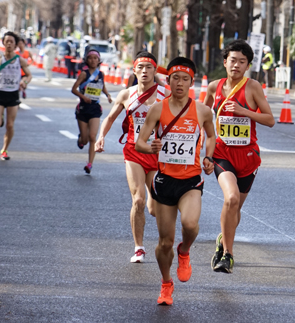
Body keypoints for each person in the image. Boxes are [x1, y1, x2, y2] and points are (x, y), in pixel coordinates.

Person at [135, 57, 216, 305]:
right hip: (164, 181)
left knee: (190, 225)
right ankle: (166, 283)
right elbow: (140, 142)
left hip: (190, 180)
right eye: (175, 78)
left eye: (185, 79)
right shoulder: (157, 109)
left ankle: (185, 251)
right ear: (168, 80)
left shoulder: (203, 110)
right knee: (164, 242)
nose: (180, 83)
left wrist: (208, 157)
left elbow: (211, 136)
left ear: (192, 82)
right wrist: (151, 148)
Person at [203, 40, 275, 273]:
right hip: (222, 154)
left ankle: (222, 239)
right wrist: (203, 154)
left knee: (235, 210)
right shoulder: (214, 87)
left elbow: (270, 120)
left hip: (248, 157)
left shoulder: (253, 87)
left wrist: (244, 111)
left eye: (241, 62)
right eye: (232, 60)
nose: (236, 65)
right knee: (231, 199)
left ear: (247, 66)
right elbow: (202, 117)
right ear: (225, 62)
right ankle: (227, 255)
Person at [95, 51, 170, 263]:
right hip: (133, 151)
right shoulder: (126, 94)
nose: (145, 71)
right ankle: (139, 248)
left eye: (149, 67)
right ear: (134, 70)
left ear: (155, 70)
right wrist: (101, 138)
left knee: (154, 208)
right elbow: (109, 119)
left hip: (157, 153)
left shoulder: (166, 94)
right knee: (138, 199)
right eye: (141, 67)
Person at [0, 31, 32, 160]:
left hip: (13, 95)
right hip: (0, 94)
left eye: (12, 42)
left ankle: (4, 150)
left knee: (10, 125)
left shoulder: (19, 60)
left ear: (16, 44)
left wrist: (24, 82)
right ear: (3, 43)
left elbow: (29, 75)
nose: (9, 44)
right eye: (7, 41)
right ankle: (0, 116)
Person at [72, 49, 112, 174]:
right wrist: (83, 97)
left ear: (99, 60)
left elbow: (102, 86)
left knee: (92, 137)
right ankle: (80, 140)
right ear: (86, 60)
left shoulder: (100, 74)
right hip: (83, 108)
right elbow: (74, 89)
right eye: (91, 58)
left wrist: (108, 95)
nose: (93, 60)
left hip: (95, 108)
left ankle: (90, 164)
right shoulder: (84, 74)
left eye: (96, 58)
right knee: (85, 139)